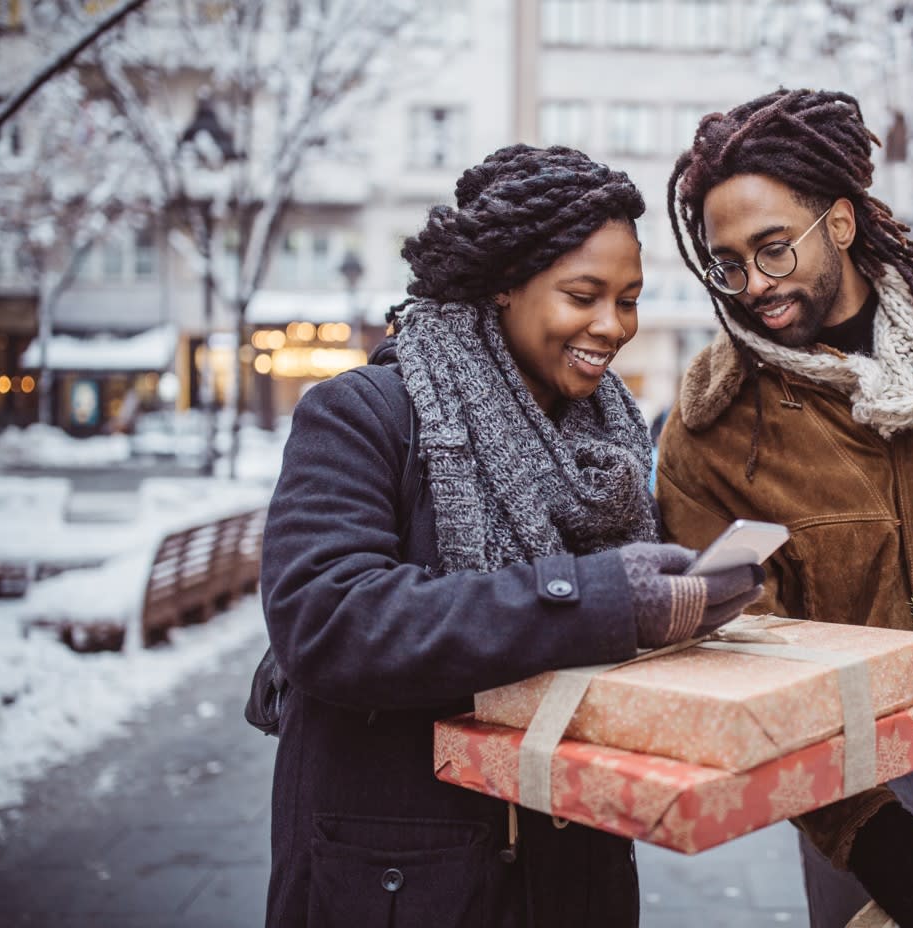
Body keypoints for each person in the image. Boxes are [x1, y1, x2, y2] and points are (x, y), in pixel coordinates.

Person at [259, 144, 764, 927]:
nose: (613, 326)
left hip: (573, 876)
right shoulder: (364, 414)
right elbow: (326, 619)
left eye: (628, 299)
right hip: (403, 884)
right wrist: (602, 599)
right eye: (584, 295)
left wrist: (692, 604)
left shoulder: (609, 446)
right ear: (503, 283)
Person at [656, 90, 913, 928]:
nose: (754, 285)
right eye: (728, 263)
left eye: (774, 250)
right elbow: (734, 645)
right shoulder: (713, 432)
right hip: (858, 783)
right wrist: (863, 831)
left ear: (840, 225)